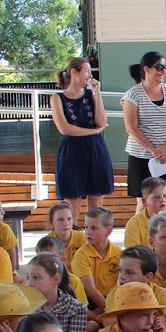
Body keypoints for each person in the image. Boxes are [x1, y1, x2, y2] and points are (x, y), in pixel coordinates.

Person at [50, 55, 114, 215]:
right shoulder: (57, 98)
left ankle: (94, 231)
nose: (90, 76)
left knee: (97, 202)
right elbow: (65, 129)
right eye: (87, 71)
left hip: (95, 148)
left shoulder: (91, 94)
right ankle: (72, 231)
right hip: (72, 150)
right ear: (74, 72)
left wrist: (97, 93)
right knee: (72, 201)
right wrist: (93, 131)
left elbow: (101, 121)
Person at [121, 52, 166, 199]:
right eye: (159, 67)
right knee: (144, 200)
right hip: (142, 156)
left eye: (165, 67)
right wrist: (154, 151)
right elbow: (131, 127)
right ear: (146, 69)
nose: (163, 71)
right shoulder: (133, 95)